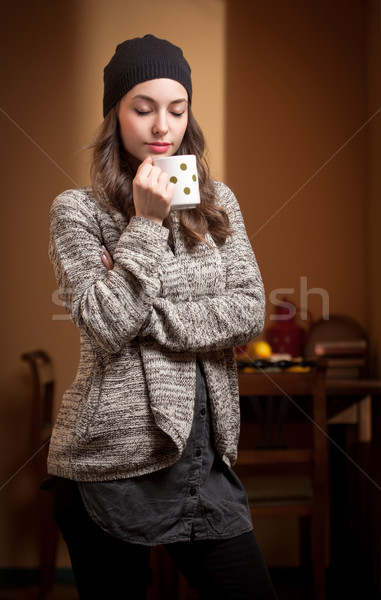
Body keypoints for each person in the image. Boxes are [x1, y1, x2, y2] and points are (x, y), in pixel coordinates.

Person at [46, 34, 277, 600]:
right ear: (115, 115)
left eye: (176, 109)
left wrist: (144, 313)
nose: (161, 127)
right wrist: (146, 224)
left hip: (204, 461)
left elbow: (248, 312)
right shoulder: (77, 210)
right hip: (108, 462)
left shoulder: (219, 203)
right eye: (142, 108)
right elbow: (105, 323)